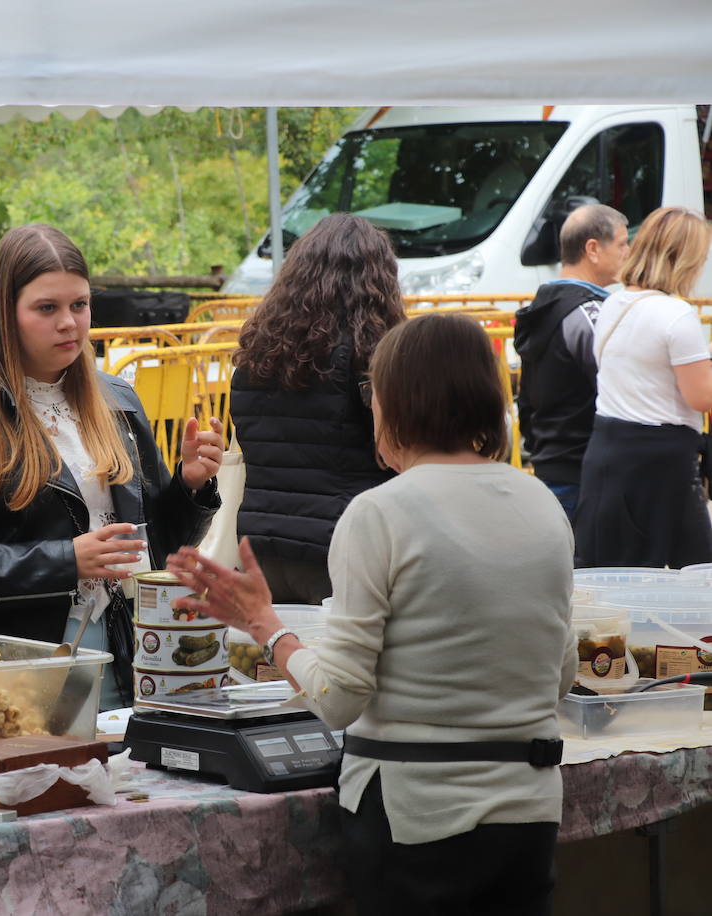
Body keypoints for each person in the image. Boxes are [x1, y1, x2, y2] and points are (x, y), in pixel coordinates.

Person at [168, 314, 575, 916]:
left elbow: (338, 697)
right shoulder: (541, 503)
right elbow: (560, 674)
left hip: (416, 819)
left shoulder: (381, 513)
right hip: (529, 811)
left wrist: (266, 625)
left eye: (373, 394)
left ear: (398, 403)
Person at [0, 224, 222, 706]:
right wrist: (65, 560)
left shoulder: (120, 401)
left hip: (124, 655)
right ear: (7, 314)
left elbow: (152, 549)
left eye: (80, 305)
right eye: (47, 308)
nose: (69, 322)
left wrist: (192, 489)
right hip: (7, 677)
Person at [229, 213, 403, 605]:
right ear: (379, 281)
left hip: (260, 550)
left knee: (271, 663)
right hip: (343, 549)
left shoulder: (256, 357)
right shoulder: (373, 358)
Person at [576, 206, 712, 568]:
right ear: (686, 259)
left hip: (608, 448)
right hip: (662, 460)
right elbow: (701, 396)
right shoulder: (675, 315)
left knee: (616, 572)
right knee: (697, 574)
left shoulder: (613, 303)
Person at [515, 204, 629, 523]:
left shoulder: (542, 306)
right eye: (621, 243)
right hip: (586, 469)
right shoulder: (589, 314)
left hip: (551, 463)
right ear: (592, 248)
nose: (629, 252)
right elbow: (619, 385)